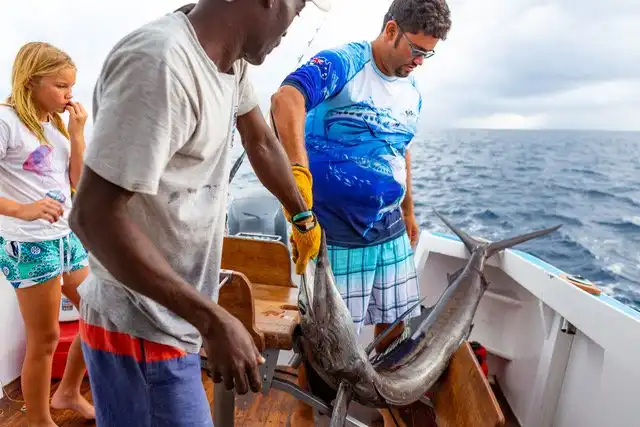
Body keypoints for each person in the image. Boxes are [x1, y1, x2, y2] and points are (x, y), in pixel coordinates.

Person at [68, 0, 329, 426]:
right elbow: (92, 217)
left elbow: (260, 142)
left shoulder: (232, 61)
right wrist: (213, 320)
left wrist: (302, 216)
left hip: (173, 321)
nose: (293, 23)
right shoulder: (160, 63)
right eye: (296, 7)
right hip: (138, 327)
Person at [270, 0, 451, 423]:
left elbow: (399, 151)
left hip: (388, 234)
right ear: (391, 31)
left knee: (395, 333)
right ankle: (307, 417)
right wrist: (297, 172)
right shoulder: (345, 63)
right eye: (417, 50)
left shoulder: (412, 91)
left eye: (429, 54)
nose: (420, 62)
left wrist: (409, 210)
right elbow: (286, 99)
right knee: (320, 349)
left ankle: (387, 413)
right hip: (334, 240)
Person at [0, 42, 94, 426]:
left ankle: (69, 389)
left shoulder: (53, 127)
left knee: (100, 312)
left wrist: (76, 134)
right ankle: (39, 420)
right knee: (45, 339)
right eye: (60, 85)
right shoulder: (6, 121)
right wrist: (22, 208)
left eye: (71, 86)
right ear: (31, 81)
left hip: (63, 237)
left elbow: (77, 181)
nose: (69, 94)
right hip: (28, 243)